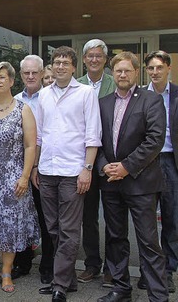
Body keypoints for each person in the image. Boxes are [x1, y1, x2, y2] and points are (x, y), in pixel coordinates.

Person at [96, 51, 168, 302]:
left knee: (148, 241)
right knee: (115, 238)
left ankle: (158, 294)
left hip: (141, 181)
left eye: (127, 70)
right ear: (112, 73)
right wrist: (105, 165)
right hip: (111, 182)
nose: (123, 74)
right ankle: (120, 288)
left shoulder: (151, 100)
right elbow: (98, 140)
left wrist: (126, 166)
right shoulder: (103, 102)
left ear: (136, 72)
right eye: (118, 71)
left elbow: (155, 140)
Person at [32, 46, 102, 302]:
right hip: (48, 170)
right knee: (52, 228)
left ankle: (59, 283)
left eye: (65, 62)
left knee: (69, 229)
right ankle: (68, 279)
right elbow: (39, 135)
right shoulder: (43, 95)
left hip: (74, 172)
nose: (60, 66)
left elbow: (93, 135)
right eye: (57, 62)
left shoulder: (85, 93)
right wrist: (36, 166)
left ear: (74, 67)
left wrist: (87, 169)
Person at [0, 61, 39, 293]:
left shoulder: (24, 109)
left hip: (15, 178)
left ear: (12, 81)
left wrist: (24, 177)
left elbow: (31, 146)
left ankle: (7, 272)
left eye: (3, 77)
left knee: (11, 227)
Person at [76, 39, 116, 287]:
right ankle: (92, 264)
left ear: (105, 59)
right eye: (90, 55)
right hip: (85, 159)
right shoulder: (76, 85)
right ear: (83, 59)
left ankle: (113, 267)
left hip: (111, 158)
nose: (94, 59)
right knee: (88, 216)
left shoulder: (115, 82)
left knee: (114, 216)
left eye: (98, 56)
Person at [12, 55, 54, 285]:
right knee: (21, 217)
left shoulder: (49, 98)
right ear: (20, 75)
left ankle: (48, 266)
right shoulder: (15, 100)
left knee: (45, 218)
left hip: (43, 168)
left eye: (34, 73)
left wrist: (36, 166)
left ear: (41, 73)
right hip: (18, 170)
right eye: (26, 73)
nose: (30, 76)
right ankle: (23, 261)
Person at [145, 50, 178, 293]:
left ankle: (167, 271)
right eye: (151, 68)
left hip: (171, 161)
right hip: (146, 163)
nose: (155, 72)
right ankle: (149, 272)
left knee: (171, 218)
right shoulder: (140, 95)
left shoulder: (176, 95)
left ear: (168, 68)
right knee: (145, 221)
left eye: (159, 67)